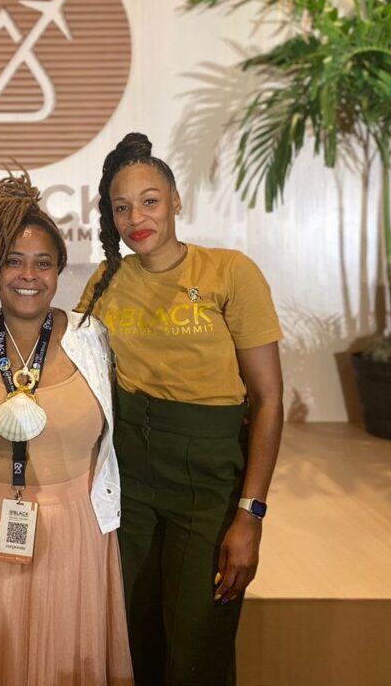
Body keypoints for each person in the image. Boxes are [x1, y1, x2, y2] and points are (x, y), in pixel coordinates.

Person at [79, 132, 284, 685]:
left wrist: (251, 515)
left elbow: (267, 402)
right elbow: (68, 364)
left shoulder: (230, 273)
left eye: (149, 200)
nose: (135, 217)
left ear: (176, 201)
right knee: (136, 637)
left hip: (207, 481)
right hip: (130, 482)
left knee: (197, 647)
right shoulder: (106, 282)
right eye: (121, 207)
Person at [0, 173, 133, 685]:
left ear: (60, 270)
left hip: (78, 532)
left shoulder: (94, 337)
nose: (29, 275)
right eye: (13, 261)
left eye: (43, 263)